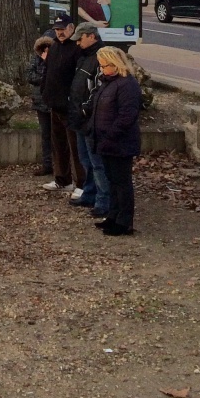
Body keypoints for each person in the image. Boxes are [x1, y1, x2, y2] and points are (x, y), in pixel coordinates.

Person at [86, 46, 142, 236]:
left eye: (104, 66)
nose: (102, 69)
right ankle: (113, 215)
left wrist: (110, 135)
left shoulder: (127, 85)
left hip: (119, 142)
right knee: (112, 181)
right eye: (101, 66)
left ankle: (124, 221)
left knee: (122, 182)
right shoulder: (108, 82)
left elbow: (127, 116)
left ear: (115, 64)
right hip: (106, 140)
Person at [40, 15, 85, 195]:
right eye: (57, 29)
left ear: (71, 28)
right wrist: (45, 92)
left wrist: (72, 100)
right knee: (58, 144)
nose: (60, 32)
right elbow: (48, 71)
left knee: (75, 147)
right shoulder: (55, 47)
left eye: (63, 28)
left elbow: (78, 78)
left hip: (69, 106)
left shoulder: (76, 49)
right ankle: (62, 179)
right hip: (54, 103)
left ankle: (82, 183)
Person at [68, 23, 110, 216]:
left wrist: (86, 111)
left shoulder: (100, 58)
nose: (78, 43)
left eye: (80, 38)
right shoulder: (85, 56)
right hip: (80, 116)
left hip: (90, 119)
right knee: (86, 160)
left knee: (97, 163)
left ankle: (103, 201)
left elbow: (99, 89)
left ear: (91, 36)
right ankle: (90, 193)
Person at [28, 36, 53, 177]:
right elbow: (30, 76)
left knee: (57, 135)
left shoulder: (55, 60)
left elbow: (55, 76)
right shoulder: (36, 59)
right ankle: (47, 164)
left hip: (54, 103)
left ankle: (60, 164)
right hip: (40, 102)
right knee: (45, 134)